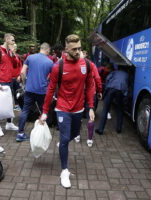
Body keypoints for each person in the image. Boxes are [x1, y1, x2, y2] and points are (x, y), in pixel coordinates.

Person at [40, 34, 95, 188]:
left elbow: (90, 86)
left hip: (79, 108)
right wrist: (44, 112)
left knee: (75, 134)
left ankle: (62, 144)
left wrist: (90, 106)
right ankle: (64, 171)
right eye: (74, 49)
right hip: (62, 107)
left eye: (79, 48)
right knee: (64, 139)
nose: (78, 51)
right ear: (66, 49)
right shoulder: (59, 66)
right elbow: (50, 90)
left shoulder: (87, 65)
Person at [16, 42, 53, 142]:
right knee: (43, 110)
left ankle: (20, 133)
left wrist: (24, 84)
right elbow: (53, 79)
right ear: (47, 50)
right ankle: (43, 133)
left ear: (40, 48)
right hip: (42, 91)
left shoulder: (30, 58)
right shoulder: (50, 62)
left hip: (29, 89)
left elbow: (22, 72)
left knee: (25, 111)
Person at [0, 33, 19, 137]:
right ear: (7, 40)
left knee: (9, 103)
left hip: (10, 80)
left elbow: (15, 64)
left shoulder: (9, 52)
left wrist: (13, 53)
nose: (14, 42)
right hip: (1, 82)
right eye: (12, 40)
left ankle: (9, 123)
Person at [74, 51, 102, 147]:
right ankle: (89, 139)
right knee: (91, 114)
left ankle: (77, 135)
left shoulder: (75, 64)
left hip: (79, 93)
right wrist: (99, 91)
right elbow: (97, 78)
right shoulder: (92, 65)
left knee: (78, 114)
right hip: (91, 92)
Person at [95, 65, 129, 135]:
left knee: (105, 109)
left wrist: (107, 87)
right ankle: (118, 129)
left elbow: (107, 78)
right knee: (120, 109)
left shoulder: (114, 72)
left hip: (111, 89)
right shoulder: (127, 75)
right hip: (121, 91)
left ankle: (100, 130)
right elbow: (128, 85)